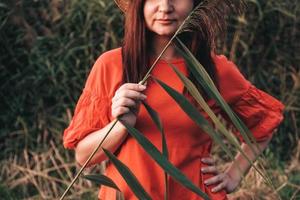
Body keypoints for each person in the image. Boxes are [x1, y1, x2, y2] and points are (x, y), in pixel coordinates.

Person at [63, 0, 285, 199]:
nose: (165, 6)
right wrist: (120, 126)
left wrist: (234, 174)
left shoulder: (215, 71)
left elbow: (263, 125)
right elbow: (84, 156)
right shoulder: (112, 65)